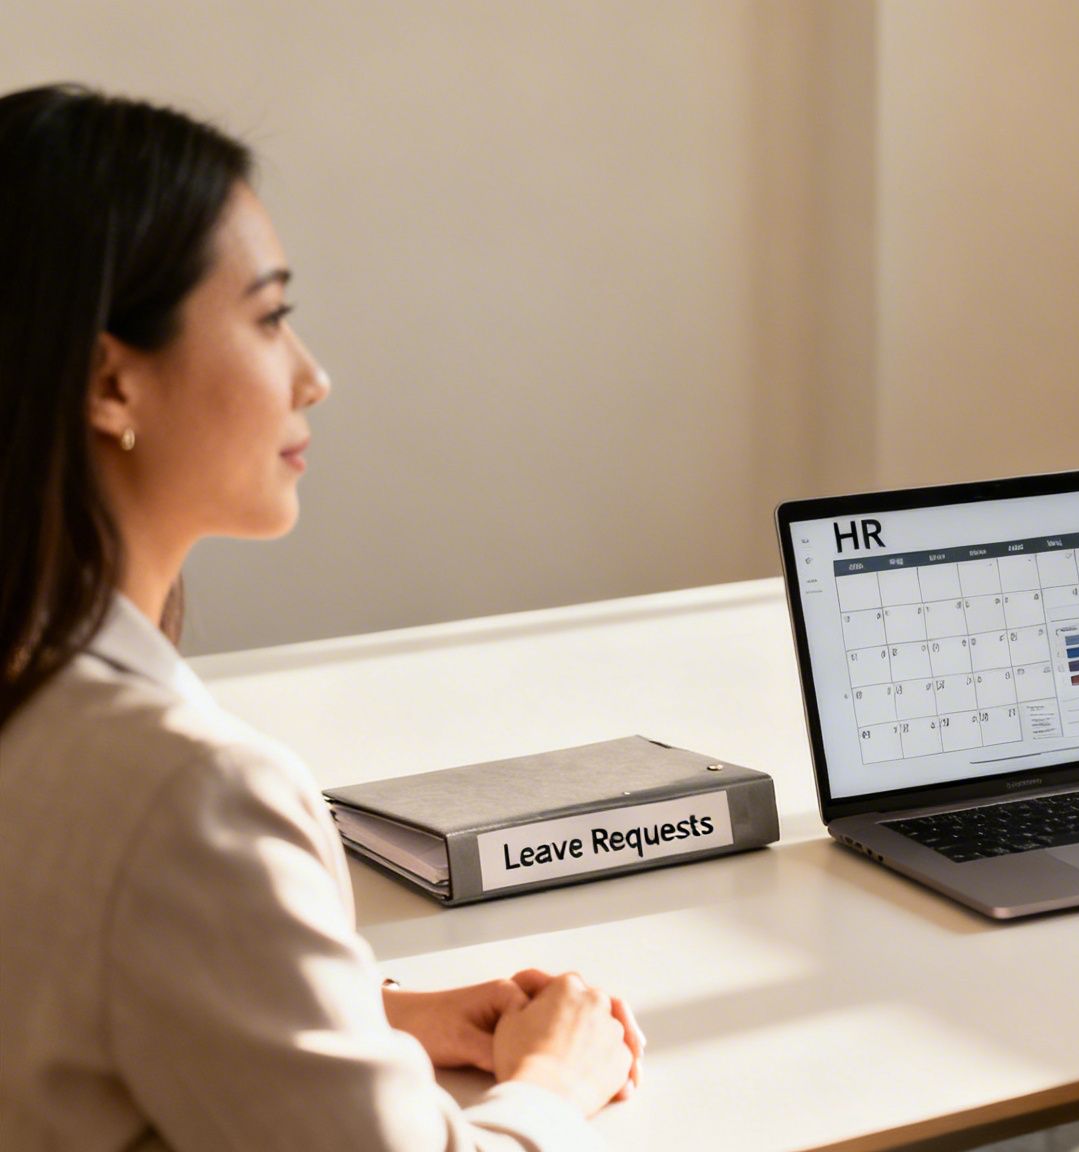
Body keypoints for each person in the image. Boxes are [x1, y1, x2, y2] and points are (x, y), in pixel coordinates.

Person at [0, 85, 643, 1150]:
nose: (313, 378)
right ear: (111, 383)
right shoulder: (189, 799)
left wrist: (364, 1008)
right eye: (267, 317)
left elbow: (57, 967)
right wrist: (552, 1085)